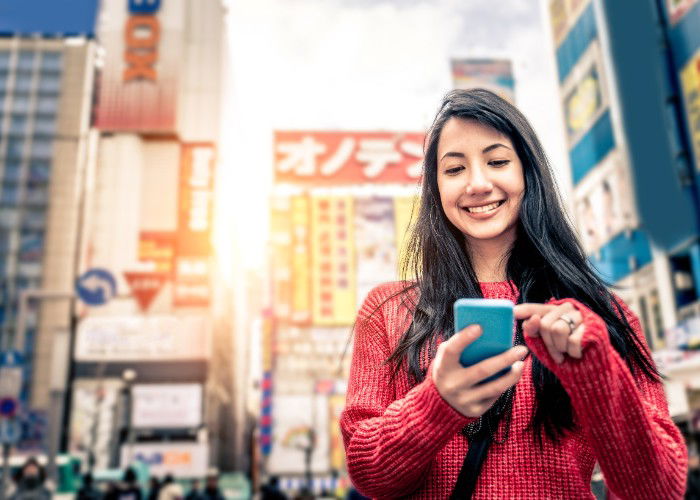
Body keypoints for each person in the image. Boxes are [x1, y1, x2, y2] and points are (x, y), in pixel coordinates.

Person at [340, 88, 688, 499]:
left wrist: (595, 371)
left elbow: (659, 490)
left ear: (527, 171)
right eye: (454, 169)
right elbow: (369, 473)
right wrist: (438, 401)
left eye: (497, 161)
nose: (478, 183)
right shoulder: (389, 310)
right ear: (435, 188)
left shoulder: (598, 315)